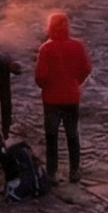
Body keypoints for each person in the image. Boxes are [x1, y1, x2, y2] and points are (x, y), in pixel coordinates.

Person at [34, 10, 93, 186]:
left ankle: (52, 174)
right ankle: (74, 172)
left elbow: (40, 76)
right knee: (72, 135)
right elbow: (86, 68)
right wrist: (76, 82)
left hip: (52, 100)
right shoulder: (78, 46)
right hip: (71, 98)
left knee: (51, 137)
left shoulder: (46, 48)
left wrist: (46, 87)